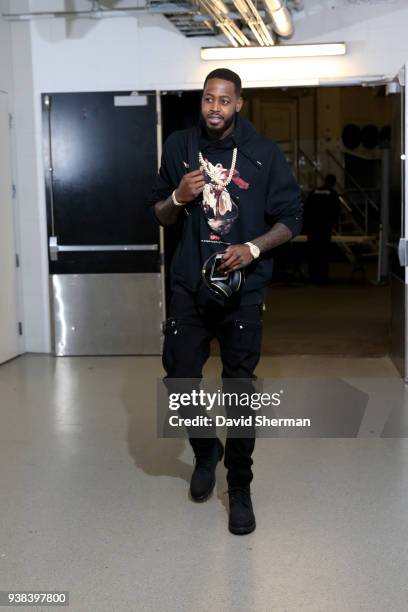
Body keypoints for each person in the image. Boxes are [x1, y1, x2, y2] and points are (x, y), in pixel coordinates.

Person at [149, 68, 303, 535]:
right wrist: (178, 195)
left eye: (224, 100)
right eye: (207, 99)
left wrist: (253, 247)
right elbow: (159, 213)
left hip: (243, 292)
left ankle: (239, 488)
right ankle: (204, 450)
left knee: (239, 391)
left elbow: (291, 217)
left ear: (239, 105)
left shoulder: (261, 154)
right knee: (179, 380)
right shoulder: (178, 146)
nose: (214, 107)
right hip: (188, 289)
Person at [304, 174, 341, 284]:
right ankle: (322, 278)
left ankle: (312, 277)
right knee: (323, 253)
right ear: (333, 183)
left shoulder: (314, 192)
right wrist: (331, 223)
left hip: (312, 228)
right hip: (324, 229)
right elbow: (336, 211)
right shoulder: (333, 194)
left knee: (312, 252)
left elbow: (306, 208)